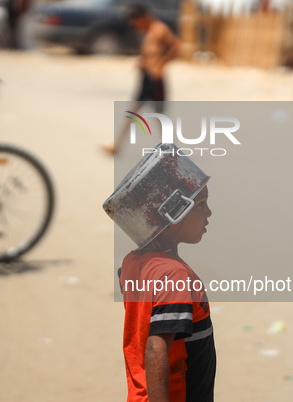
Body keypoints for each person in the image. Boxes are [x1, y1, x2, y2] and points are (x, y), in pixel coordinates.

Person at [103, 144, 217, 401]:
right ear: (172, 212)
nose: (208, 213)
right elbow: (156, 348)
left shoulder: (132, 265)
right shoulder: (174, 276)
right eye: (200, 205)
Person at [102, 4, 181, 156]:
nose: (134, 24)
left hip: (156, 78)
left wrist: (161, 65)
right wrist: (142, 63)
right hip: (146, 76)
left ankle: (170, 148)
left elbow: (176, 46)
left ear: (144, 17)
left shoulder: (160, 29)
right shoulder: (145, 31)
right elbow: (149, 52)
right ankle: (116, 145)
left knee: (159, 114)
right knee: (134, 111)